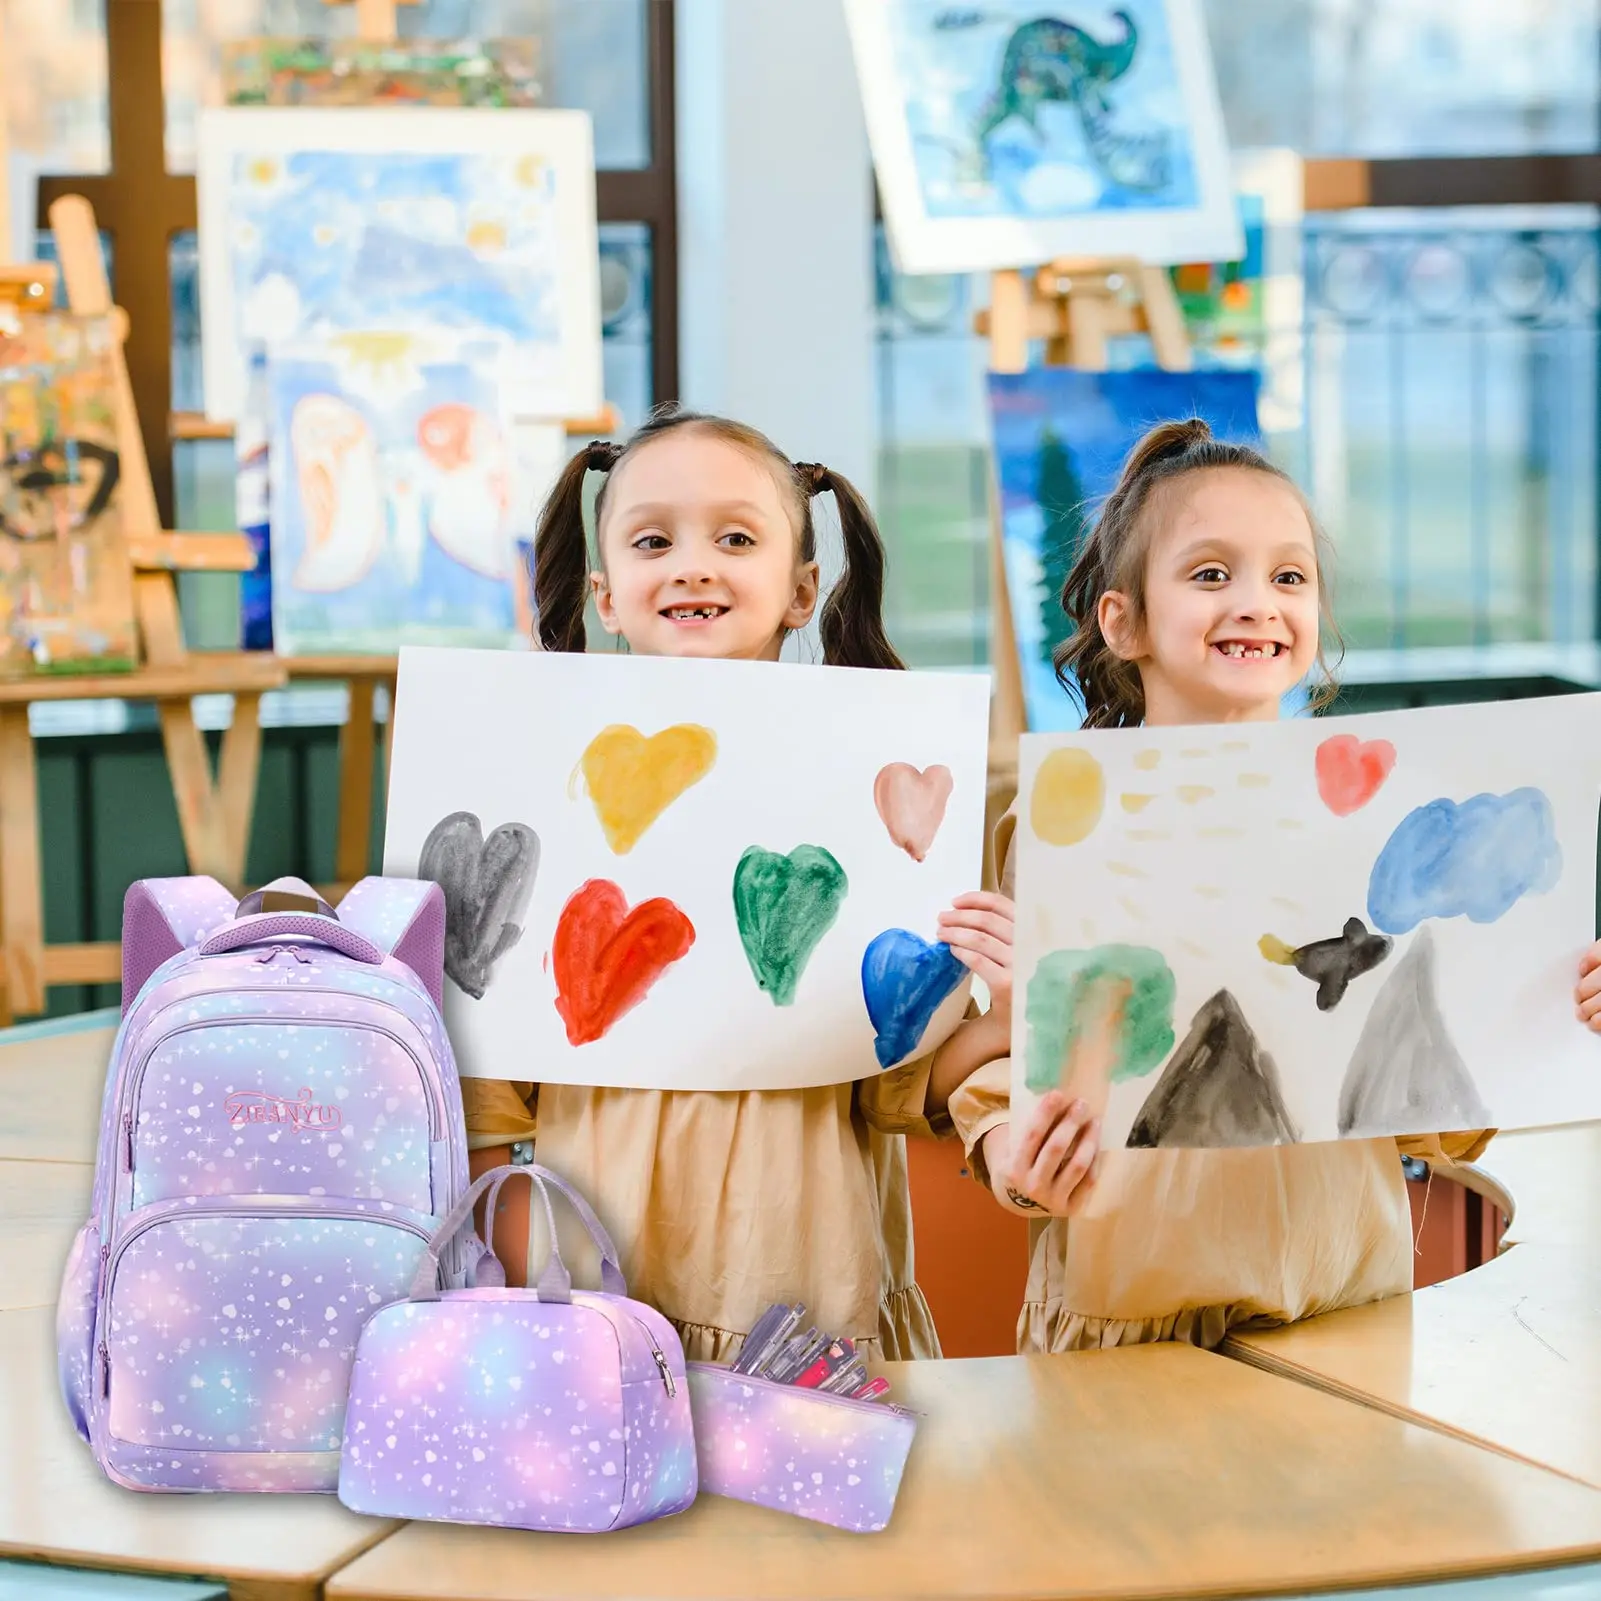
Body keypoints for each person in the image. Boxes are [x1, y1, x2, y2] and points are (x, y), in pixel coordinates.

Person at [949, 417, 1601, 1353]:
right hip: (1131, 1313)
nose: (1256, 602)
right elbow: (1002, 1057)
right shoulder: (1062, 823)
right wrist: (1016, 1158)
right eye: (1210, 574)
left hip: (1345, 1306)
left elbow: (1432, 1116)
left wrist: (1550, 1006)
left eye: (1288, 576)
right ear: (1121, 620)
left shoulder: (1381, 826)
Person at [461, 405, 1012, 1362]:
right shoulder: (536, 782)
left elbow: (904, 1088)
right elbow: (494, 1087)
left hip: (805, 1274)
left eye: (736, 537)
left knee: (798, 1514)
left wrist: (1019, 999)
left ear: (803, 589)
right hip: (603, 1286)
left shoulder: (877, 791)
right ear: (604, 590)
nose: (693, 563)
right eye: (652, 539)